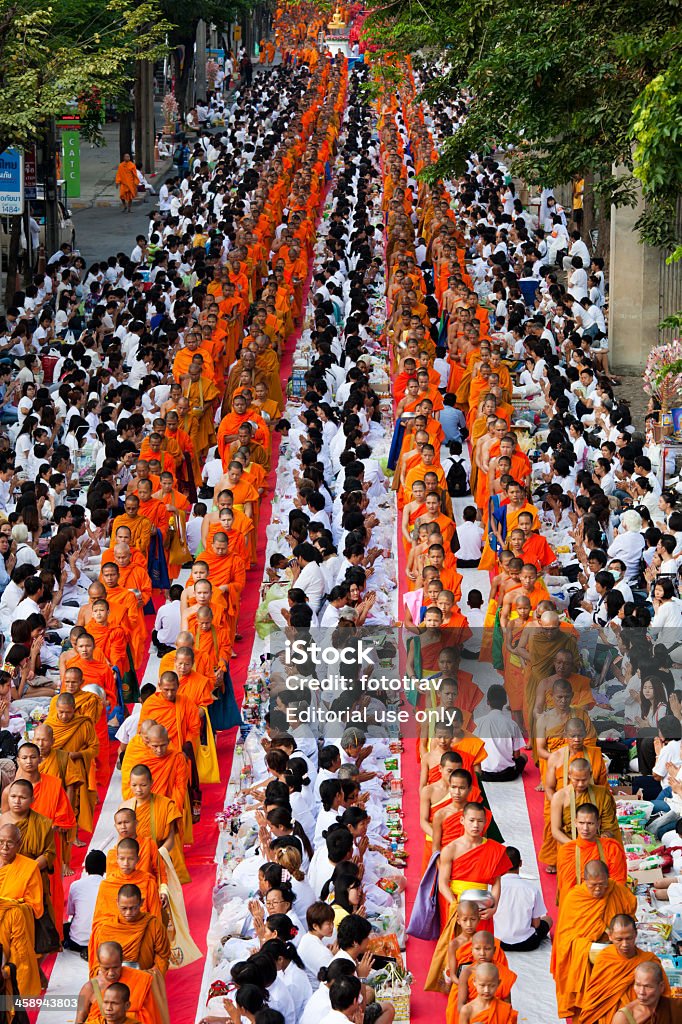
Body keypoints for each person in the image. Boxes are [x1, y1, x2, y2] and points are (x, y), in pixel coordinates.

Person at [551, 861, 637, 1020]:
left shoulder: (618, 891)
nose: (598, 889)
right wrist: (586, 946)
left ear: (608, 879)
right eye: (593, 885)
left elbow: (629, 917)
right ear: (584, 880)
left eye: (602, 885)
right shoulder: (575, 898)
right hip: (587, 957)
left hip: (616, 954)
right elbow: (564, 939)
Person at [579, 915, 670, 1024]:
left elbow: (663, 996)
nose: (625, 944)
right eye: (619, 940)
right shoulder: (605, 958)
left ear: (635, 935)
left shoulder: (649, 961)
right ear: (610, 936)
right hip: (607, 1016)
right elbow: (595, 998)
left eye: (629, 938)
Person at [494, 847, 552, 951]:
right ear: (520, 863)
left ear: (500, 864)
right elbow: (536, 924)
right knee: (548, 920)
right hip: (527, 943)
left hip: (497, 942)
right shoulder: (532, 889)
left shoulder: (493, 888)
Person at [64, 849, 106, 954]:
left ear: (86, 869)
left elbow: (71, 912)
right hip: (102, 943)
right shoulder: (111, 886)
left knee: (64, 926)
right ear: (105, 868)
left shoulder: (76, 885)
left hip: (77, 942)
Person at [613, 962, 682, 1024]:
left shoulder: (675, 1007)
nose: (641, 992)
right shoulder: (624, 1017)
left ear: (661, 987)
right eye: (638, 985)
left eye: (648, 986)